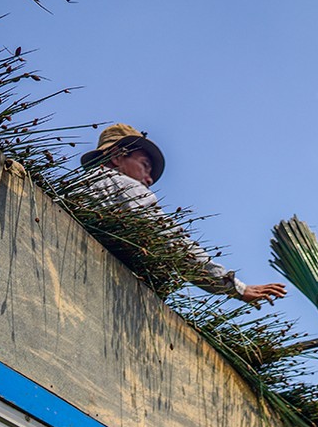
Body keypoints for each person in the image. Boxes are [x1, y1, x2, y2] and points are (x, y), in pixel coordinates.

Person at [78, 124, 288, 306]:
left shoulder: (77, 186)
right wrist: (235, 287)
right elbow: (170, 241)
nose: (149, 179)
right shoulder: (123, 185)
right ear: (117, 157)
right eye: (145, 165)